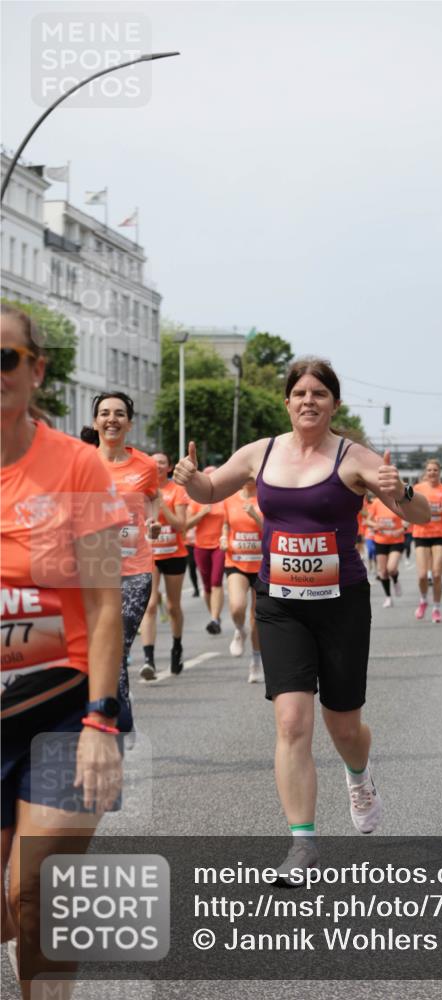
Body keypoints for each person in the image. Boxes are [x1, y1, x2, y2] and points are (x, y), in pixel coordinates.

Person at [173, 356, 429, 881]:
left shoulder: (354, 458)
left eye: (319, 393)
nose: (308, 400)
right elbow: (208, 491)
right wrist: (190, 479)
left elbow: (419, 515)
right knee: (292, 722)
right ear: (287, 401)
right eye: (300, 393)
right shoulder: (260, 454)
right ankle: (303, 844)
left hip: (341, 605)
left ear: (334, 403)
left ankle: (359, 775)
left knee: (344, 725)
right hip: (282, 603)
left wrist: (400, 490)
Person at [1, 304, 125, 996]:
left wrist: (101, 723)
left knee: (35, 896)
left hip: (63, 710)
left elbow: (105, 601)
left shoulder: (77, 466)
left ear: (35, 370)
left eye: (6, 359)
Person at [81, 392, 160, 731]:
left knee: (117, 644)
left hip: (134, 571)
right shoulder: (81, 462)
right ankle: (116, 714)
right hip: (92, 572)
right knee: (96, 647)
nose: (111, 419)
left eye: (118, 414)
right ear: (96, 421)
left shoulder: (145, 465)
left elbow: (153, 498)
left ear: (129, 422)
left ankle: (115, 720)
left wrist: (153, 520)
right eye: (104, 413)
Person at [139, 454, 189, 680]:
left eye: (161, 462)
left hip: (174, 554)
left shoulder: (177, 490)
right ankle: (148, 659)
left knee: (172, 607)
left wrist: (161, 504)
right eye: (153, 462)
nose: (157, 465)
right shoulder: (140, 490)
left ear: (168, 467)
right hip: (149, 555)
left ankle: (177, 647)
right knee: (149, 605)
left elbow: (181, 525)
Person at [221, 477, 264, 682]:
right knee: (237, 607)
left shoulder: (267, 498)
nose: (249, 478)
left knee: (256, 617)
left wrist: (255, 516)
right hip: (236, 561)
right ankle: (239, 631)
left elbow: (273, 530)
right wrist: (223, 537)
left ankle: (256, 661)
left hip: (262, 564)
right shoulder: (230, 500)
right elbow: (225, 524)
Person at [411, 459, 442, 622]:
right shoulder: (417, 489)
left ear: (440, 473)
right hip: (421, 534)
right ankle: (424, 600)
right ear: (425, 473)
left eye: (435, 470)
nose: (432, 473)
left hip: (441, 534)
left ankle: (437, 608)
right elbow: (407, 507)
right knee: (422, 575)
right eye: (429, 470)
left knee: (437, 574)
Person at [186, 467, 227, 635]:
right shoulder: (196, 500)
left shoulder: (226, 498)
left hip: (220, 545)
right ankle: (214, 615)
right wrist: (202, 513)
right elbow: (186, 525)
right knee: (207, 586)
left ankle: (214, 619)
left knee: (216, 580)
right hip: (201, 545)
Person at [366, 495, 405, 607]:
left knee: (391, 568)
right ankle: (388, 597)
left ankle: (396, 580)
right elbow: (368, 521)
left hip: (396, 540)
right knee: (382, 572)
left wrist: (401, 530)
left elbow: (409, 520)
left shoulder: (398, 501)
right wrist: (376, 525)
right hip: (381, 541)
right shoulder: (376, 503)